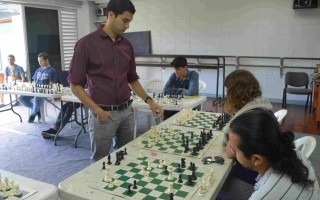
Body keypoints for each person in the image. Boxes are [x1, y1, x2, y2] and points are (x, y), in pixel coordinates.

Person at [67, 0, 163, 162]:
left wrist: (149, 101)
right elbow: (75, 85)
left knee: (125, 157)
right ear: (111, 15)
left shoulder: (127, 46)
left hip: (127, 111)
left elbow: (132, 78)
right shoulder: (85, 44)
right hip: (102, 113)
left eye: (129, 22)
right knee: (100, 161)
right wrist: (97, 110)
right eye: (125, 21)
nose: (127, 26)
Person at [225, 108, 320, 199]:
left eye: (235, 150)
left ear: (257, 159)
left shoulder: (263, 196)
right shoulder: (296, 154)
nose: (230, 149)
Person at [19, 52, 57, 123]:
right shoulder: (38, 70)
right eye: (38, 61)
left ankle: (33, 114)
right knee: (21, 98)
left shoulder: (52, 71)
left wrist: (41, 89)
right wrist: (31, 86)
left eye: (41, 61)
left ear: (46, 60)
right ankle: (36, 110)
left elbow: (51, 84)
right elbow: (34, 81)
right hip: (35, 90)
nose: (39, 63)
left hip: (44, 92)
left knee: (37, 98)